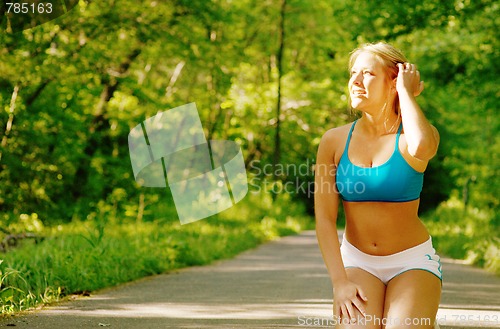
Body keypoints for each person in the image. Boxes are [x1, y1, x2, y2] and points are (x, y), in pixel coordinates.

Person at [314, 42, 442, 329]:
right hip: (358, 263)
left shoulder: (413, 136)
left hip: (412, 261)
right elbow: (324, 218)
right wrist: (339, 283)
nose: (356, 82)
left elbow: (422, 146)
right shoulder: (334, 141)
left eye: (368, 74)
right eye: (353, 73)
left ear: (393, 81)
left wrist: (406, 93)